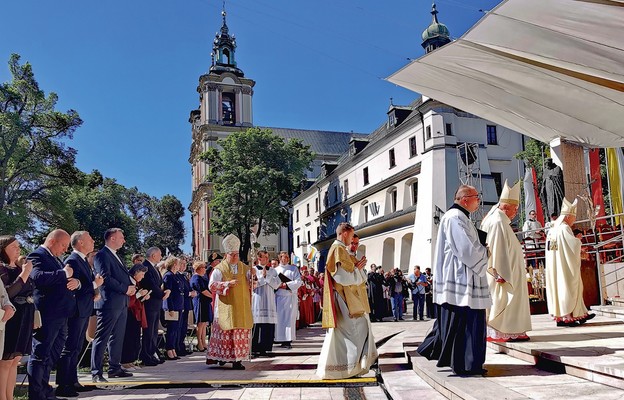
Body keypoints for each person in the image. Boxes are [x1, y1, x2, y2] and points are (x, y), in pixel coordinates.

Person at [417, 185, 491, 376]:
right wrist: (485, 252)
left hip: (466, 278)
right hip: (460, 280)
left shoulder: (461, 217)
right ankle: (464, 364)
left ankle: (469, 364)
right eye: (477, 197)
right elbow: (467, 250)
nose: (479, 200)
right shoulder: (454, 218)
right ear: (465, 199)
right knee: (465, 325)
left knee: (470, 324)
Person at [317, 222, 377, 379]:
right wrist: (357, 269)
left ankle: (345, 367)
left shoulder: (341, 249)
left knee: (346, 333)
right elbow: (342, 278)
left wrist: (357, 269)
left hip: (346, 297)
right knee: (355, 330)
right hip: (343, 298)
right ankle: (350, 368)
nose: (352, 239)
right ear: (344, 234)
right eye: (351, 235)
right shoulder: (338, 249)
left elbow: (355, 276)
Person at [27, 229, 77, 400]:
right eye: (63, 245)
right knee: (41, 353)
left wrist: (75, 282)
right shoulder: (36, 255)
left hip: (61, 313)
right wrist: (64, 273)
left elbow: (62, 280)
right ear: (53, 241)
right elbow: (38, 277)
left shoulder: (56, 258)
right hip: (48, 313)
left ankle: (45, 390)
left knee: (52, 355)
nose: (65, 250)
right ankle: (36, 394)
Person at [480, 181, 532, 342]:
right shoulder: (498, 222)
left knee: (504, 299)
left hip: (508, 269)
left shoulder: (496, 219)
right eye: (514, 209)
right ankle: (506, 331)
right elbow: (497, 248)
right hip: (504, 271)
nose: (516, 212)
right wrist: (500, 272)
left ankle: (507, 330)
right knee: (505, 299)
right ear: (505, 207)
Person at [56, 231, 103, 397]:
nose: (93, 241)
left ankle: (73, 380)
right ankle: (63, 384)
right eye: (90, 239)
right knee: (69, 347)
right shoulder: (72, 260)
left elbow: (83, 284)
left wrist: (93, 290)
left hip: (84, 308)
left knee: (76, 347)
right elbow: (72, 284)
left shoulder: (82, 260)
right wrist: (93, 284)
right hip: (75, 310)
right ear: (81, 242)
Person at [91, 228, 136, 383]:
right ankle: (96, 371)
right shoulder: (102, 255)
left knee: (117, 337)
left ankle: (114, 368)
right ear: (112, 238)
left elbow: (123, 276)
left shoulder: (117, 256)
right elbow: (106, 278)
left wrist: (131, 286)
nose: (123, 240)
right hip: (109, 302)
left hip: (121, 302)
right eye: (121, 237)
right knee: (102, 337)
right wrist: (125, 288)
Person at [545, 198, 595, 327]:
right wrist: (578, 240)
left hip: (554, 265)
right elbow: (572, 246)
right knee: (567, 287)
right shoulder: (564, 229)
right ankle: (569, 316)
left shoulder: (553, 228)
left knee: (559, 288)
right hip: (564, 266)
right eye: (573, 217)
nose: (574, 220)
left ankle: (562, 317)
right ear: (567, 216)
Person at [205, 235, 253, 370]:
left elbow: (253, 283)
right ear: (226, 254)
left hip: (241, 306)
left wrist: (253, 277)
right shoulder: (219, 269)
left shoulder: (244, 267)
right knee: (225, 333)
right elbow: (212, 286)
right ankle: (221, 357)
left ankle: (237, 360)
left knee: (238, 333)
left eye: (237, 254)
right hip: (225, 305)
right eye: (233, 254)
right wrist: (226, 284)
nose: (236, 257)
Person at [0, 237, 25, 400]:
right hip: (8, 320)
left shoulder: (18, 267)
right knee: (6, 361)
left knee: (15, 359)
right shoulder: (2, 269)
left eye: (19, 246)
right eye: (13, 246)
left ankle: (10, 396)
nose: (18, 249)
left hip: (22, 315)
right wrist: (26, 273)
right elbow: (8, 293)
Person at [139, 247, 169, 366]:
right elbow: (150, 285)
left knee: (154, 331)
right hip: (150, 303)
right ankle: (146, 355)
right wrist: (162, 294)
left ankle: (152, 353)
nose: (161, 257)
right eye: (159, 254)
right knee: (149, 331)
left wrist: (165, 291)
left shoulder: (154, 267)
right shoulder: (145, 267)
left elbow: (159, 283)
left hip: (156, 304)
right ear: (153, 255)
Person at [251, 250, 280, 357]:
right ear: (259, 258)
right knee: (257, 324)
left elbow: (277, 284)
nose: (267, 259)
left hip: (269, 300)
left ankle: (267, 348)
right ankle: (255, 349)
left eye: (268, 257)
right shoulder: (253, 270)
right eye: (265, 257)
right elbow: (252, 285)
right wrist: (263, 278)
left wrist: (266, 277)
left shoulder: (273, 271)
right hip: (257, 300)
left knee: (268, 324)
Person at [121, 264, 150, 370]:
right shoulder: (128, 281)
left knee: (135, 338)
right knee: (128, 338)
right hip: (129, 313)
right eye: (142, 274)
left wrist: (143, 296)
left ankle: (131, 361)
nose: (142, 277)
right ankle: (125, 361)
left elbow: (136, 299)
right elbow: (129, 299)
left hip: (136, 313)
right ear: (136, 272)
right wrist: (138, 294)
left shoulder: (136, 282)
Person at [274, 251, 302, 349]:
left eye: (286, 257)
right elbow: (273, 282)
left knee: (289, 319)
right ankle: (279, 339)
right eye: (283, 257)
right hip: (279, 298)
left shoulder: (293, 269)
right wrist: (278, 286)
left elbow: (299, 282)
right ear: (279, 258)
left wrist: (286, 285)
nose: (285, 259)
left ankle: (288, 340)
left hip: (290, 297)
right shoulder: (275, 270)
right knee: (279, 319)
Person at [162, 257, 184, 360]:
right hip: (172, 307)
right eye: (178, 264)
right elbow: (168, 293)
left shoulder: (175, 276)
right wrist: (170, 308)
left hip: (178, 306)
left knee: (176, 329)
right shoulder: (168, 276)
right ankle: (169, 349)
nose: (179, 266)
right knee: (172, 329)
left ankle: (173, 348)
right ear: (174, 264)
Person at [190, 261, 212, 352]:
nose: (204, 269)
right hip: (200, 302)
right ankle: (199, 342)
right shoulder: (196, 278)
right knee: (200, 322)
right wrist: (213, 296)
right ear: (198, 269)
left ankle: (203, 341)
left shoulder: (202, 277)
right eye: (203, 267)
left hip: (205, 302)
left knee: (203, 323)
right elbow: (203, 290)